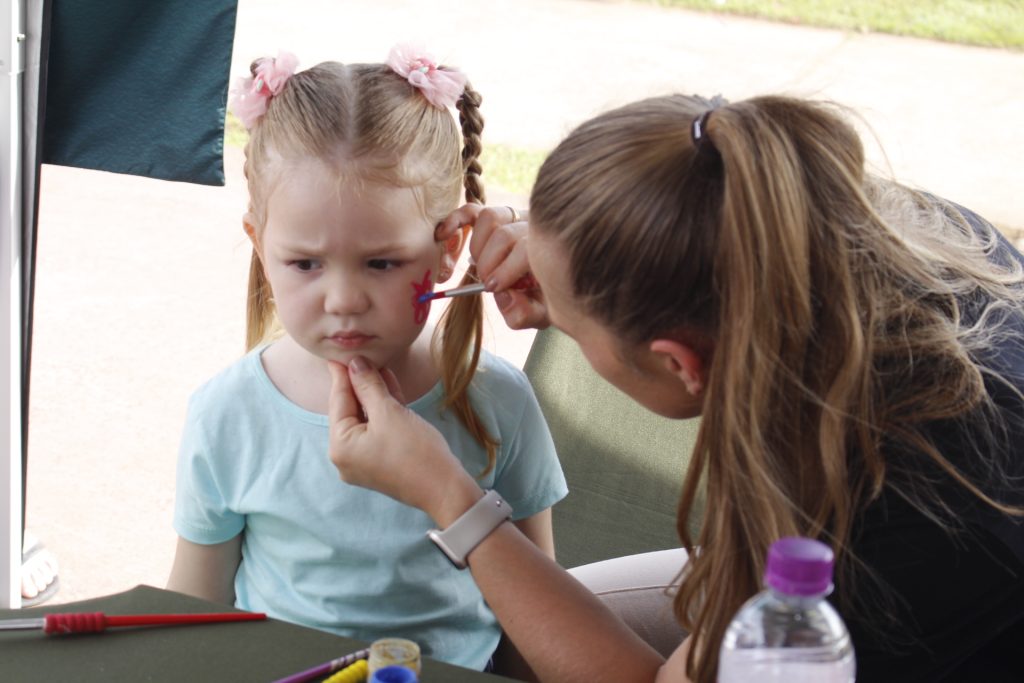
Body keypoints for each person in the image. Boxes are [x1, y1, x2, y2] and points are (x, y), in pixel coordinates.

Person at [326, 92, 1024, 682]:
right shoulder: (876, 229)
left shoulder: (901, 521)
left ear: (681, 365)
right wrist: (581, 248)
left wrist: (454, 499)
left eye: (568, 321)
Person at [166, 46, 567, 671]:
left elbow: (539, 609)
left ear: (447, 250)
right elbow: (191, 611)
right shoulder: (227, 414)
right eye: (305, 263)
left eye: (382, 263)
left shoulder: (498, 402)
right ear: (260, 244)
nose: (345, 300)